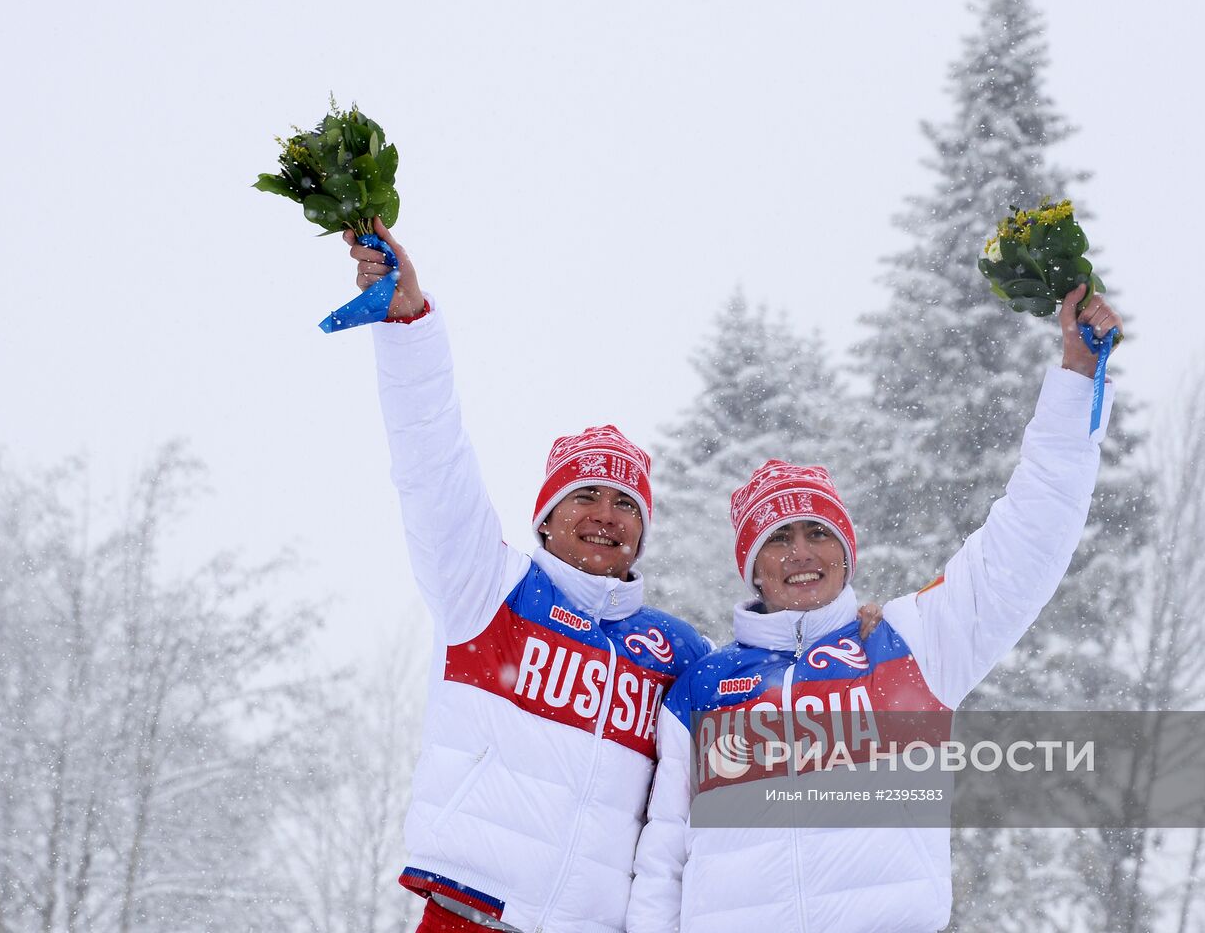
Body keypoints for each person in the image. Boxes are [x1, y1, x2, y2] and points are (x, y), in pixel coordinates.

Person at [626, 286, 1122, 932]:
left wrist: (1077, 380)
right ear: (752, 567)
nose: (801, 552)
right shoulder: (701, 691)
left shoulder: (911, 641)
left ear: (845, 552)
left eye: (817, 533)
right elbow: (663, 863)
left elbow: (1025, 541)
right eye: (778, 538)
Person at [345, 218, 713, 933]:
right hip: (469, 912)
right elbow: (432, 463)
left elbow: (781, 737)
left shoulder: (678, 655)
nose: (606, 515)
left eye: (625, 503)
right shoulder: (489, 590)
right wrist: (408, 327)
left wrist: (854, 625)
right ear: (545, 517)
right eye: (585, 496)